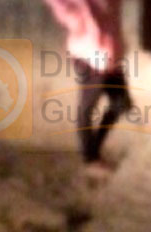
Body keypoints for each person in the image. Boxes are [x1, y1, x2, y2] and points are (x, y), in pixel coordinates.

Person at [43, 0, 132, 175]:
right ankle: (90, 159)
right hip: (89, 52)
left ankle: (94, 151)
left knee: (121, 104)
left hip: (109, 53)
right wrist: (76, 18)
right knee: (87, 108)